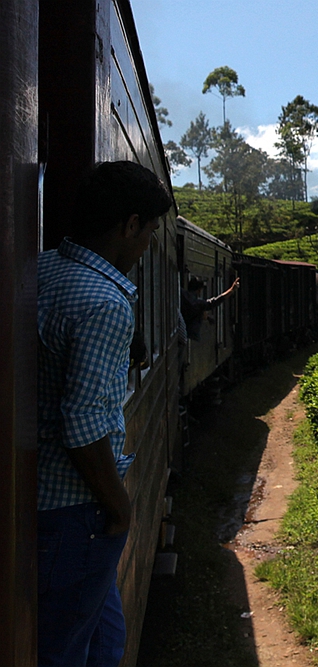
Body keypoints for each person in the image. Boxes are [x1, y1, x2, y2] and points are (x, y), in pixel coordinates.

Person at [36, 160, 172, 666]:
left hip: (53, 510)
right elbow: (84, 428)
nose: (146, 247)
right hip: (76, 516)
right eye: (149, 232)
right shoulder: (105, 302)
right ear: (129, 224)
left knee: (106, 639)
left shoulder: (42, 268)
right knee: (71, 652)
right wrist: (121, 508)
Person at [180, 274, 239, 341]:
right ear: (199, 290)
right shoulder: (199, 303)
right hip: (190, 336)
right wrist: (231, 290)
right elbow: (215, 301)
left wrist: (207, 317)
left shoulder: (181, 294)